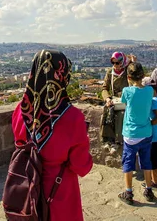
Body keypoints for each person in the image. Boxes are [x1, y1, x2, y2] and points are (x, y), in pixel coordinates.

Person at [11, 50, 93, 221]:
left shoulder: (21, 110)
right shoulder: (72, 117)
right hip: (59, 193)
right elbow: (81, 166)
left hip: (26, 189)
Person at [118, 62, 156, 205]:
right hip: (146, 132)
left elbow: (124, 103)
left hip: (131, 134)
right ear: (143, 75)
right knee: (146, 162)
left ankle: (128, 192)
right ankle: (149, 189)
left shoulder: (126, 91)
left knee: (128, 163)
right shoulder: (149, 91)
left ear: (128, 77)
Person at [100, 52, 135, 145]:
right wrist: (107, 98)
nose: (115, 65)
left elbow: (136, 76)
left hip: (126, 100)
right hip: (114, 99)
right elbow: (104, 88)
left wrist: (133, 63)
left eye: (118, 62)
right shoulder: (110, 72)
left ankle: (120, 140)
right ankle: (107, 138)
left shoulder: (128, 71)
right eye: (113, 63)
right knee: (107, 112)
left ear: (122, 62)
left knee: (122, 115)